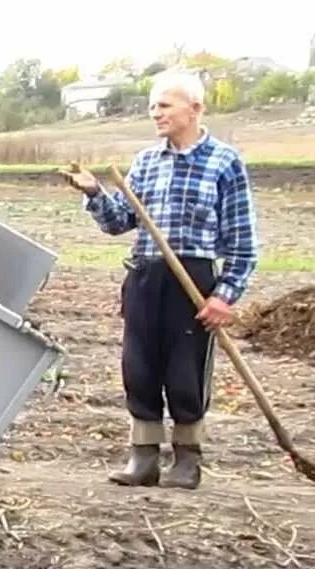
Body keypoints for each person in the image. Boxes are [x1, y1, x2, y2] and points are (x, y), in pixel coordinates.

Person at [60, 70, 260, 490]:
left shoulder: (224, 162)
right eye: (153, 106)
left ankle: (187, 459)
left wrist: (224, 295)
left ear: (196, 109)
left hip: (194, 280)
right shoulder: (147, 162)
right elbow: (119, 222)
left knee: (185, 373)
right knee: (140, 368)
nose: (156, 114)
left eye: (164, 105)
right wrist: (94, 192)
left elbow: (242, 241)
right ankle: (143, 458)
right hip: (146, 276)